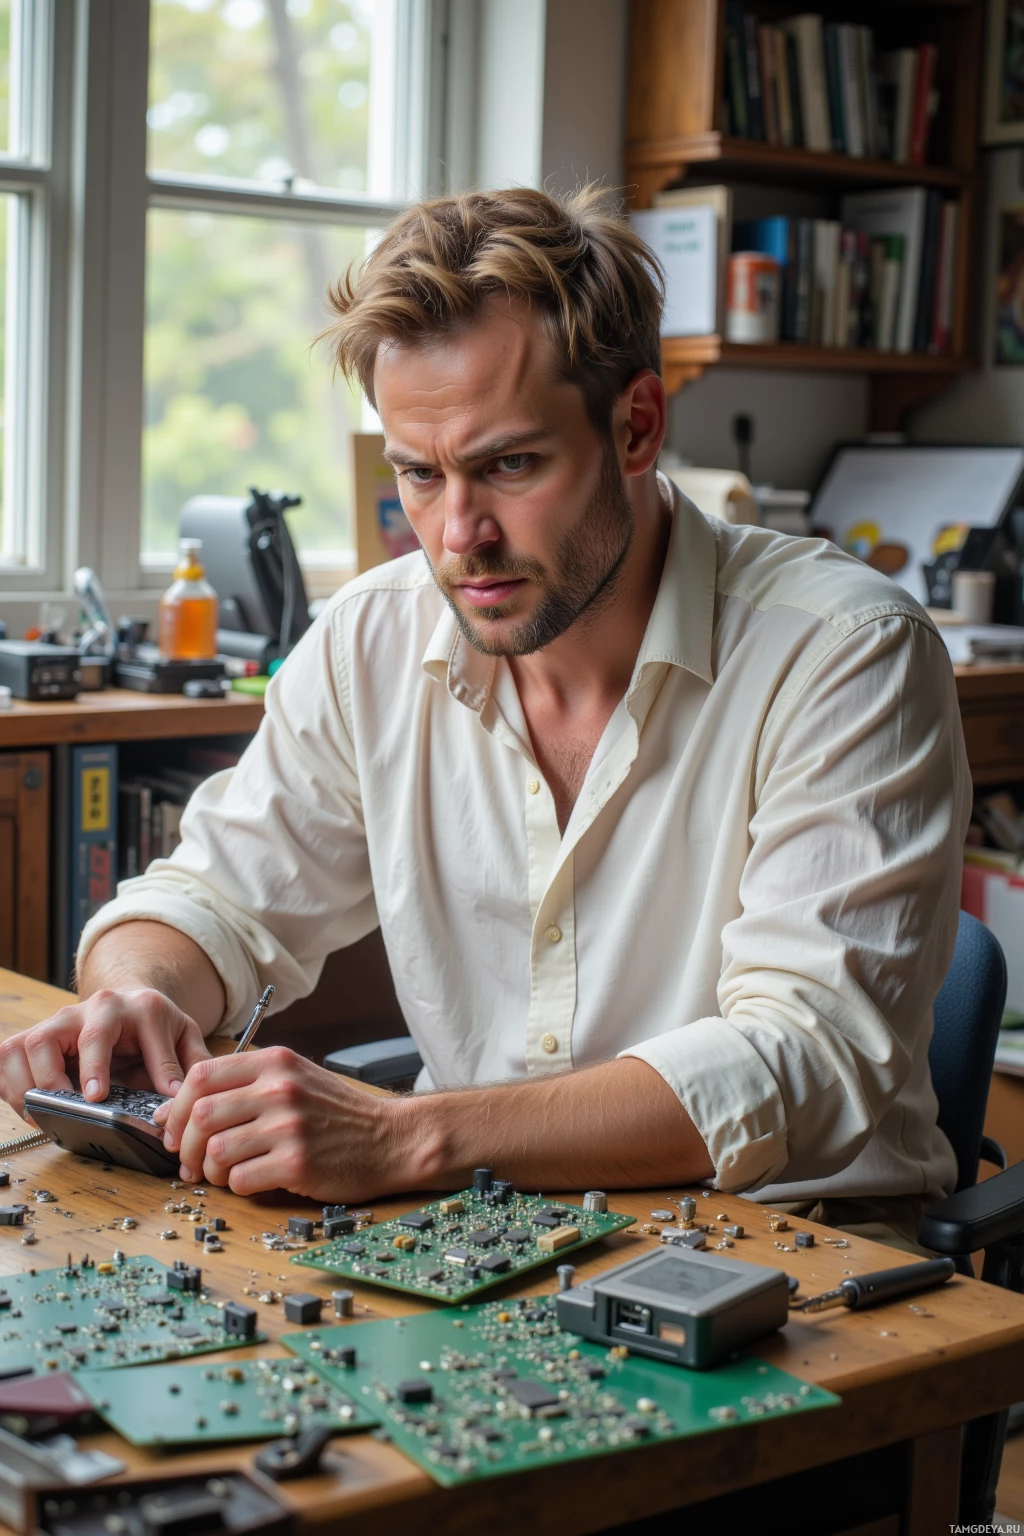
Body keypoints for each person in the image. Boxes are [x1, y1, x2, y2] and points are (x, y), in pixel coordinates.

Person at [0, 187, 969, 1247]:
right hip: (479, 1230)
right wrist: (133, 992)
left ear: (636, 427)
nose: (458, 535)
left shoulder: (844, 650)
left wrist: (408, 1137)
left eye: (509, 465)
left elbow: (808, 1056)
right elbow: (213, 899)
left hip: (803, 1244)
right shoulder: (370, 638)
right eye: (419, 474)